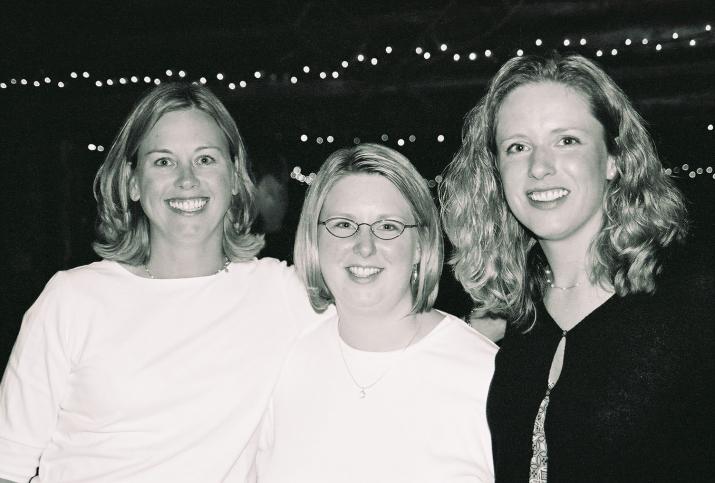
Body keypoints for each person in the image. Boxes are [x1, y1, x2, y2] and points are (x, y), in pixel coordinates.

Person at [0, 82, 326, 482]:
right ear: (134, 183)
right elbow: (8, 462)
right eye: (163, 162)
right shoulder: (73, 299)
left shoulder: (280, 292)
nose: (187, 179)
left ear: (235, 178)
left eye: (205, 159)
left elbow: (392, 332)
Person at [440, 52, 714, 482]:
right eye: (517, 147)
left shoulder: (695, 304)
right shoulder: (504, 322)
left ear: (613, 158)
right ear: (496, 173)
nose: (540, 166)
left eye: (566, 140)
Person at [254, 144, 497, 482]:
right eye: (343, 225)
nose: (364, 246)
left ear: (421, 245)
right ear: (315, 238)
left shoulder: (485, 375)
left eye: (387, 227)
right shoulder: (281, 365)